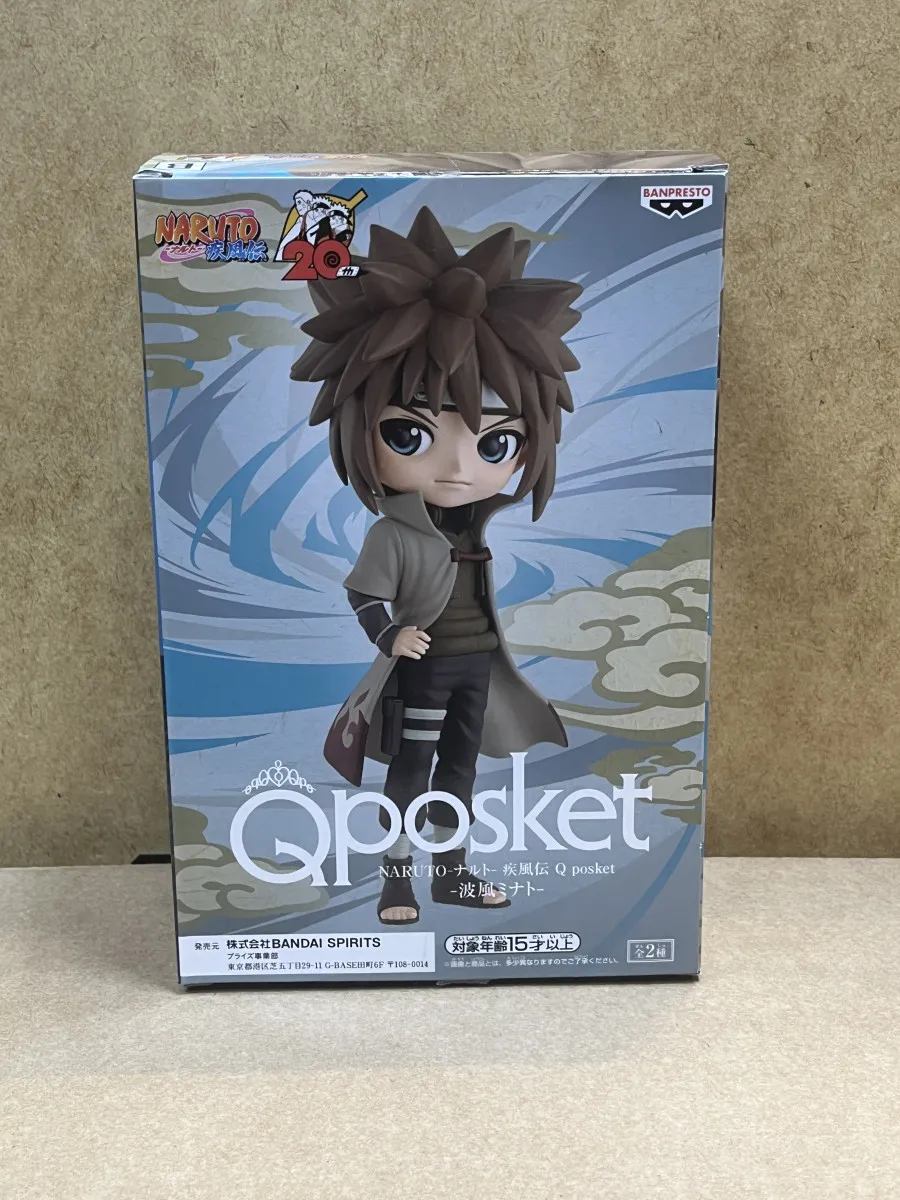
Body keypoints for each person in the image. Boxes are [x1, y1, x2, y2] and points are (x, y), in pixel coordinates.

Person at [291, 206, 583, 924]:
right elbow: (364, 596)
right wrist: (390, 635)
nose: (456, 466)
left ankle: (451, 873)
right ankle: (397, 879)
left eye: (495, 444)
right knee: (411, 771)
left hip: (476, 667)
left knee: (459, 771)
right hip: (424, 669)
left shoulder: (479, 523)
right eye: (409, 434)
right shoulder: (394, 533)